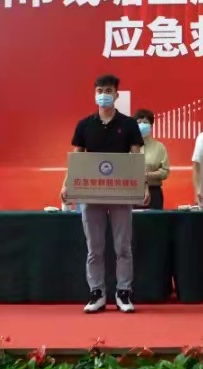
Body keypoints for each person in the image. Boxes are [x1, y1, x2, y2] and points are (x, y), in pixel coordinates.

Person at [61, 74, 147, 314]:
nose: (104, 95)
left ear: (116, 94)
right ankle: (97, 292)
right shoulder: (84, 124)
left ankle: (123, 292)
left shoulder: (129, 124)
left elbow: (136, 158)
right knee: (94, 248)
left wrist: (143, 186)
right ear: (94, 94)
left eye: (108, 91)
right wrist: (66, 184)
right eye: (100, 91)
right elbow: (77, 159)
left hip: (121, 193)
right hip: (92, 193)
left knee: (123, 247)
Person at [134, 109, 170, 210]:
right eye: (139, 122)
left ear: (151, 125)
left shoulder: (159, 147)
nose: (142, 125)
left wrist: (147, 175)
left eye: (145, 122)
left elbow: (165, 171)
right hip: (132, 191)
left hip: (154, 192)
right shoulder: (128, 146)